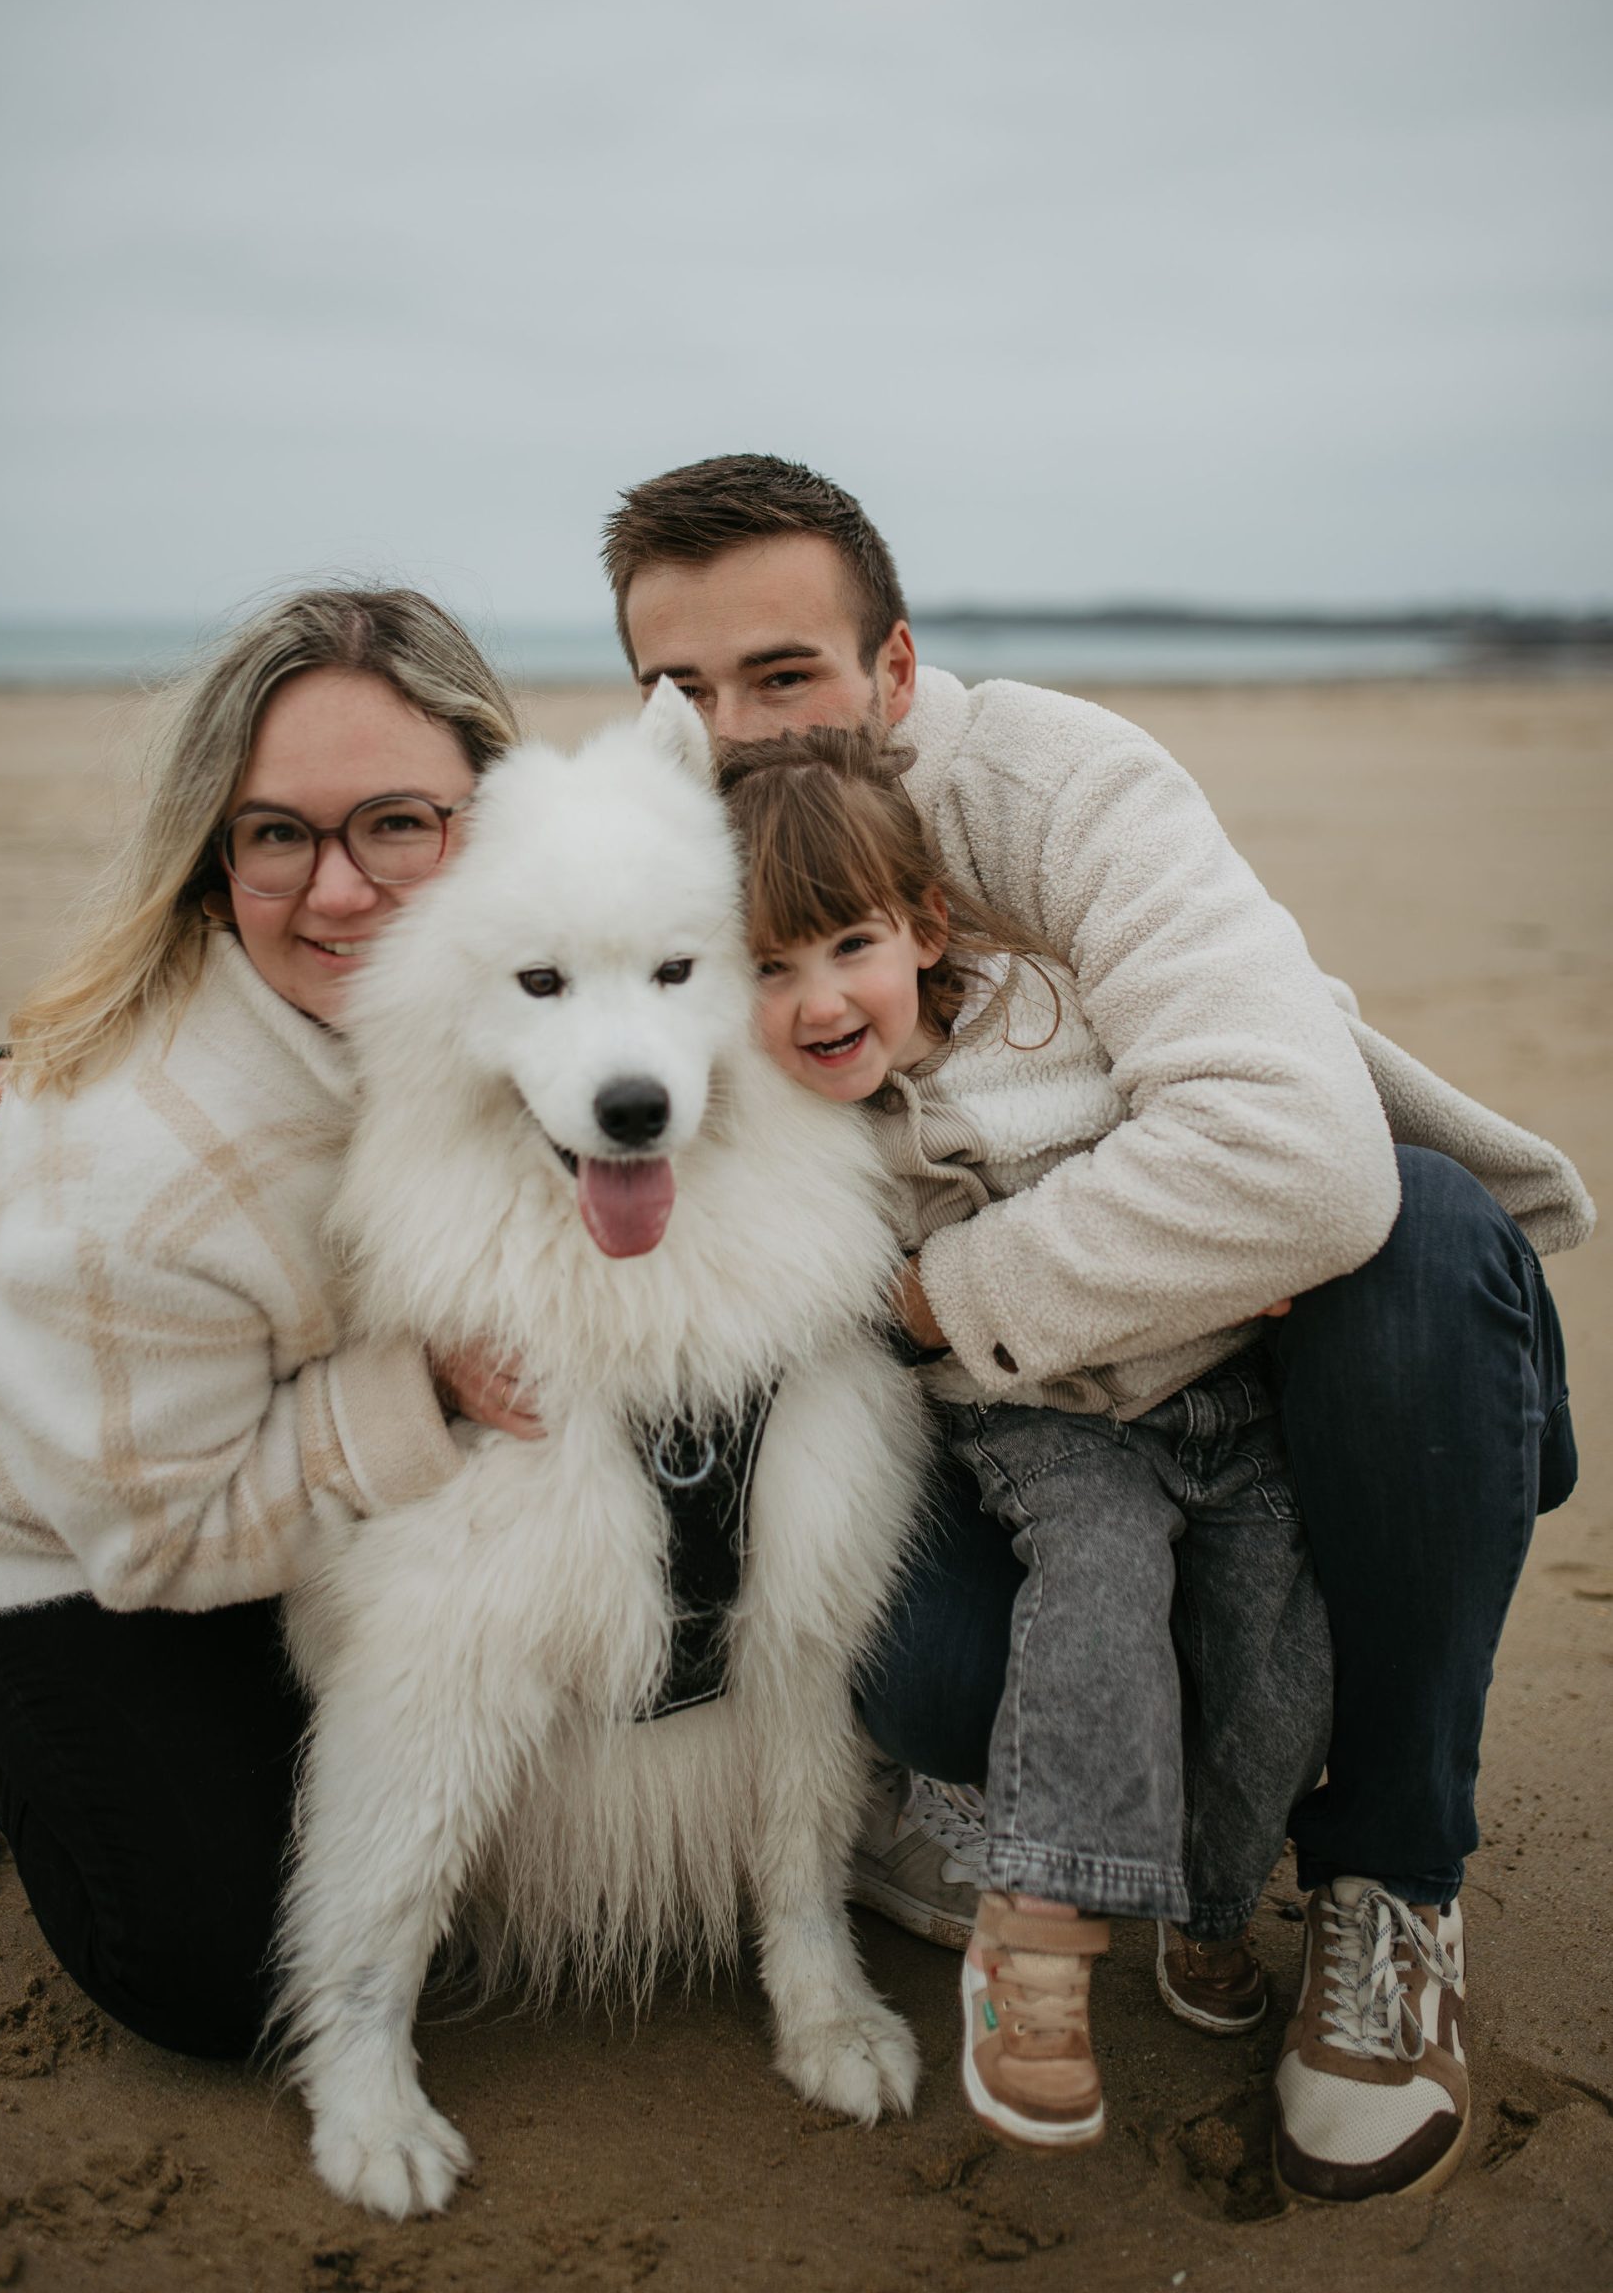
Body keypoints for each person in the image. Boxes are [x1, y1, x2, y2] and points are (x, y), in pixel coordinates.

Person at [602, 452, 1592, 2203]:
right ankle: (1041, 1802)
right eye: (679, 687)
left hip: (1306, 1387)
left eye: (782, 673)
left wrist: (934, 1298)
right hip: (1027, 1438)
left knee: (1420, 1229)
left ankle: (1389, 1874)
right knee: (919, 1664)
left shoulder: (1056, 786)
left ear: (895, 669)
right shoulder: (648, 857)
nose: (730, 734)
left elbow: (1299, 1169)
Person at [0, 583, 523, 2056]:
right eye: (277, 834)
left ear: (495, 813)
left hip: (288, 1417)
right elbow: (161, 1544)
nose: (340, 891)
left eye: (398, 822)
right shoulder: (134, 1184)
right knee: (231, 1965)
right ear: (214, 858)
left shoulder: (536, 955)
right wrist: (429, 1388)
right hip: (86, 1524)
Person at [719, 727, 1333, 2152]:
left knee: (1275, 1663)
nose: (818, 1000)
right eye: (767, 968)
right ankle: (1037, 1942)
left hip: (1222, 1395)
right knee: (1099, 1590)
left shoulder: (1050, 1011)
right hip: (1043, 1424)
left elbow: (1207, 1141)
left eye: (850, 946)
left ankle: (1209, 1911)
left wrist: (1243, 1242)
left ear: (925, 929)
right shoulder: (801, 1127)